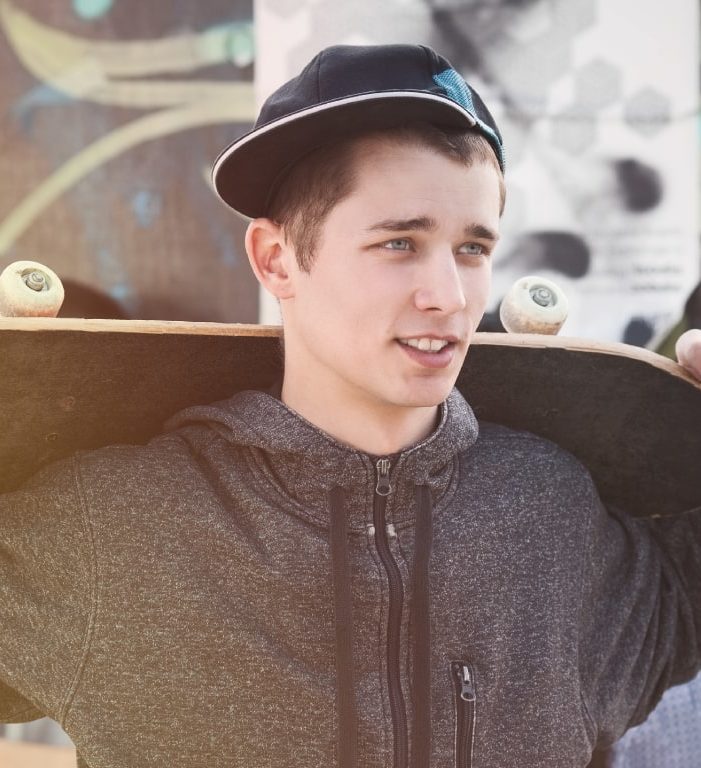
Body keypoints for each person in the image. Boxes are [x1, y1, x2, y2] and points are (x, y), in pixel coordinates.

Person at [1, 44, 700, 768]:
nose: (448, 296)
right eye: (399, 242)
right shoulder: (111, 530)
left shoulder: (550, 514)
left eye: (470, 248)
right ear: (276, 259)